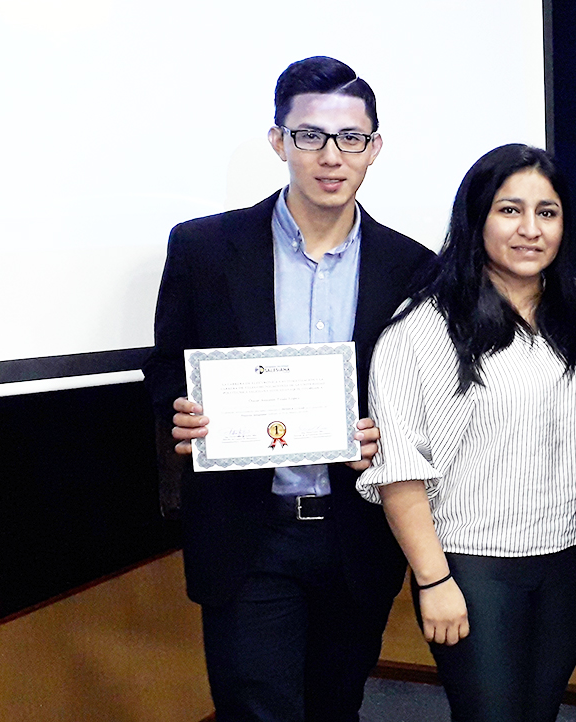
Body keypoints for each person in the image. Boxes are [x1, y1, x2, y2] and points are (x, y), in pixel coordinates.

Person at [142, 56, 433, 721]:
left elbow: (423, 396)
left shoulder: (412, 266)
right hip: (250, 533)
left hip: (353, 531)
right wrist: (181, 411)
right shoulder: (204, 248)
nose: (330, 156)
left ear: (373, 148)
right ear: (279, 141)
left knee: (337, 706)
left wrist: (387, 436)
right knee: (255, 708)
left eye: (350, 138)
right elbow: (164, 363)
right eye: (309, 136)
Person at [356, 144, 576, 722]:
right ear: (476, 220)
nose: (530, 229)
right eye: (509, 210)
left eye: (547, 213)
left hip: (570, 551)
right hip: (472, 563)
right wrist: (432, 580)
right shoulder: (419, 329)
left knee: (539, 712)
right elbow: (399, 471)